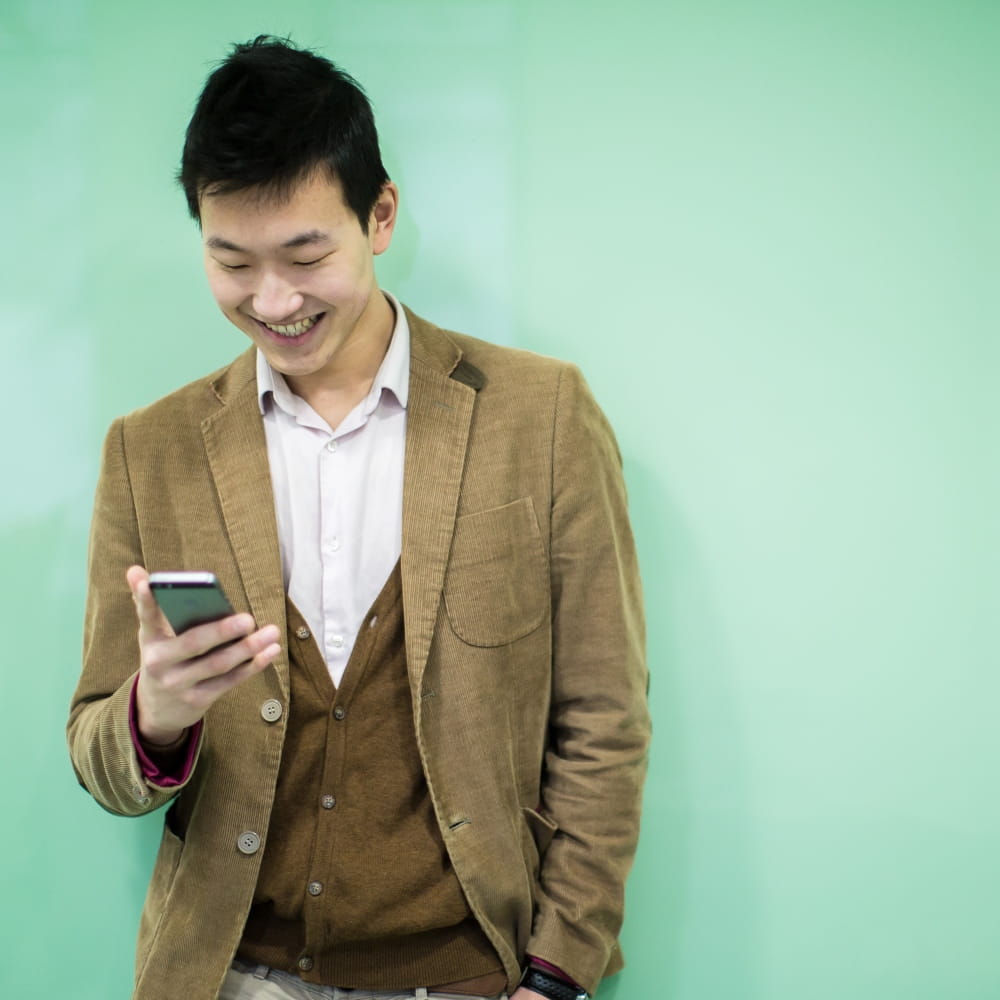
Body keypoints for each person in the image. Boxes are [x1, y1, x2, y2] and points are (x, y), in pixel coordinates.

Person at [67, 35, 650, 1000]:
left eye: (306, 254)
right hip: (225, 975)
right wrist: (154, 717)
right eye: (231, 262)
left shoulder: (540, 416)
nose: (274, 300)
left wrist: (558, 974)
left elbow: (603, 720)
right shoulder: (150, 450)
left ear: (380, 215)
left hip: (470, 975)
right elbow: (99, 755)